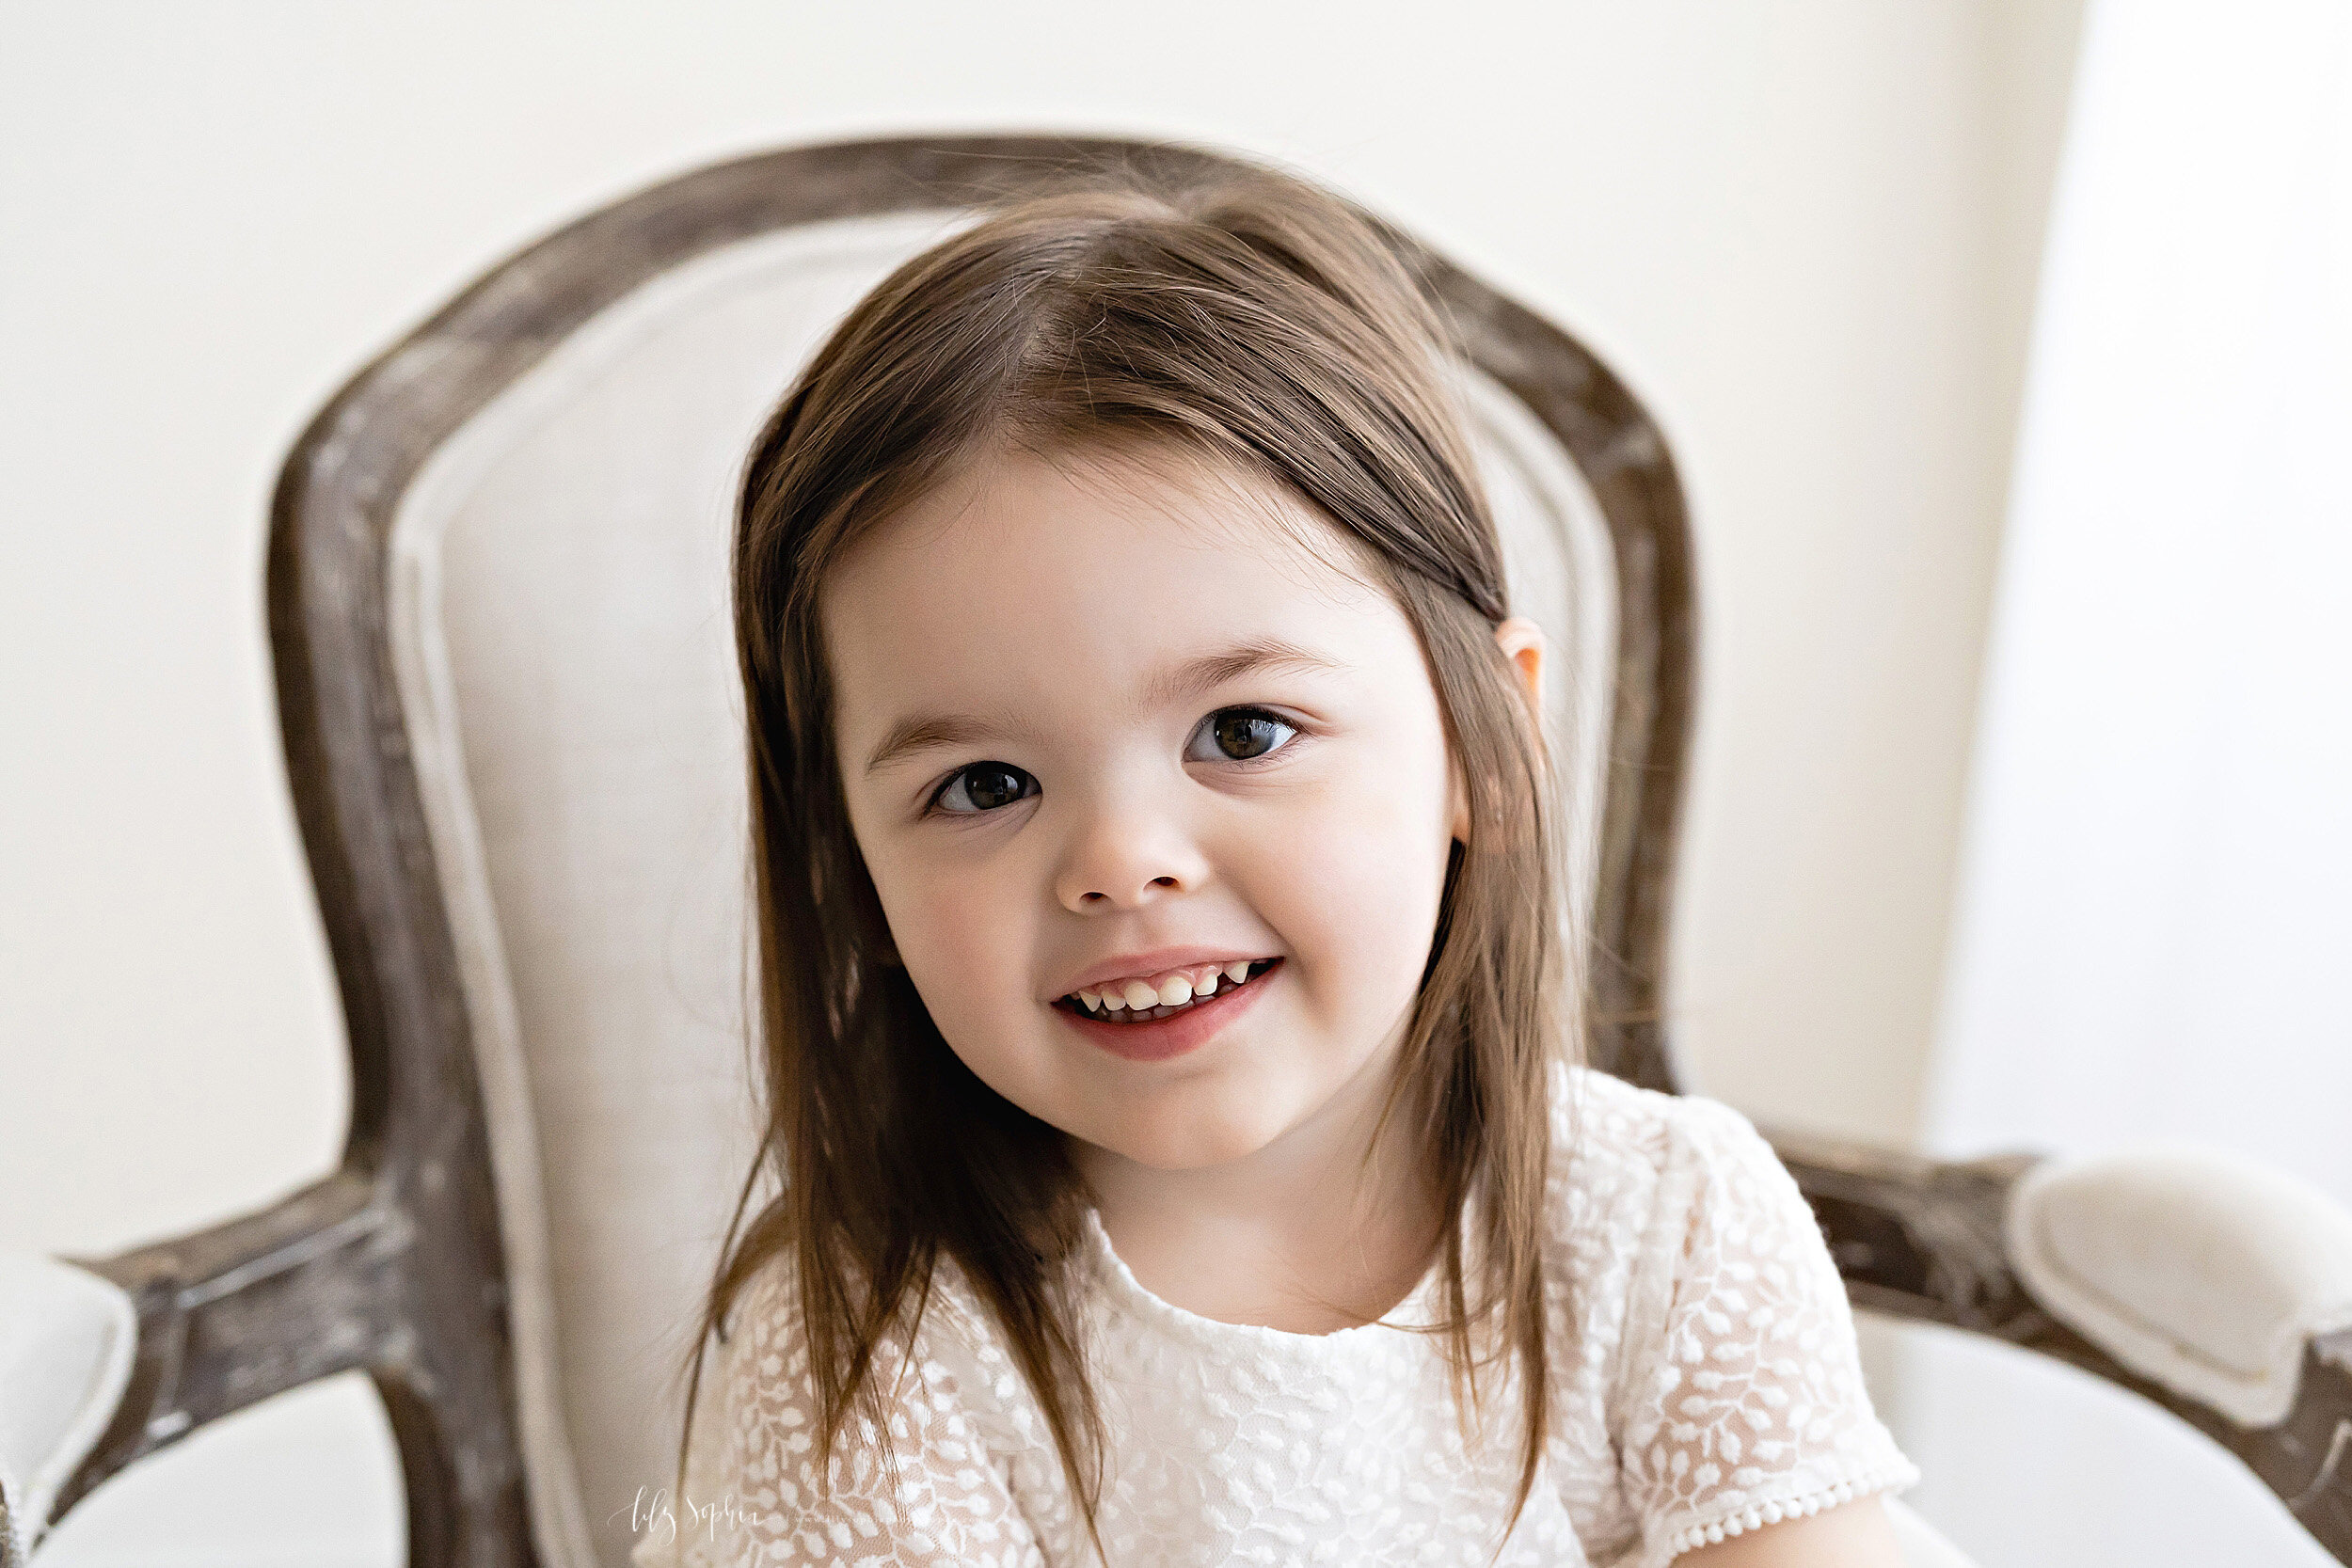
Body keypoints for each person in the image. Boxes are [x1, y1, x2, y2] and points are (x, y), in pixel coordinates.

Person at [634, 155, 1918, 1568]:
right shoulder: (872, 1359)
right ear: (851, 877)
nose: (1121, 864)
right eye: (984, 784)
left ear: (1484, 753)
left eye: (1243, 731)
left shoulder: (1667, 1230)